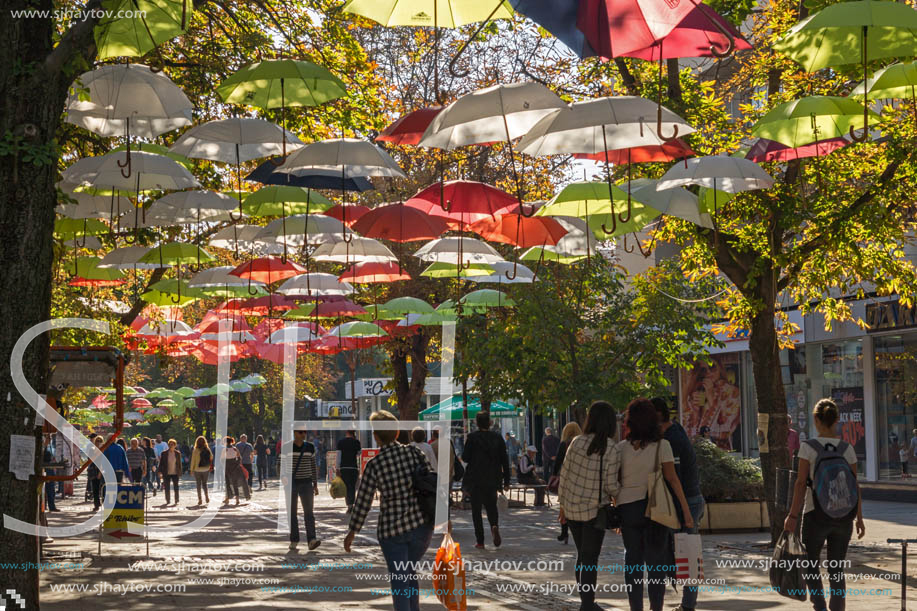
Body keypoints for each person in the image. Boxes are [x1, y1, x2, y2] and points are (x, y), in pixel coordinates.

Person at [343, 410, 433, 611]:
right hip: (421, 527)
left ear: (375, 437)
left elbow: (363, 501)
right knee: (409, 572)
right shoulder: (415, 453)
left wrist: (352, 532)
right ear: (397, 431)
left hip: (392, 532)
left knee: (399, 580)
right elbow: (431, 485)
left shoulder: (375, 465)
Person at [784, 398, 865, 611]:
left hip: (815, 515)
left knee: (811, 565)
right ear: (837, 420)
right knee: (836, 569)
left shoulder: (808, 448)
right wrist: (860, 519)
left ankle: (819, 606)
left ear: (816, 419)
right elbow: (854, 486)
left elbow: (801, 484)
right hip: (844, 518)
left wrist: (792, 516)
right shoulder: (847, 449)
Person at [616, 398, 694, 611]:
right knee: (656, 564)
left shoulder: (621, 448)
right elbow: (672, 479)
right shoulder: (663, 445)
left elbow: (616, 480)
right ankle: (656, 607)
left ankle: (635, 608)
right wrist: (685, 511)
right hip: (656, 509)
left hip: (628, 509)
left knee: (632, 560)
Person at [558, 402, 620, 610]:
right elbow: (611, 485)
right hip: (595, 511)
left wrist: (562, 507)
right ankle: (587, 604)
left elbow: (564, 476)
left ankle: (587, 601)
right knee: (590, 558)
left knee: (582, 555)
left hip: (573, 509)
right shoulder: (611, 447)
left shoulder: (575, 442)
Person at [653, 397, 704, 611]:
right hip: (690, 501)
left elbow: (675, 480)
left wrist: (685, 512)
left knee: (688, 557)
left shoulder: (671, 440)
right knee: (684, 555)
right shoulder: (675, 430)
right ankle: (686, 603)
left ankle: (688, 605)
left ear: (656, 416)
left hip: (687, 502)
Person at [462, 411, 511, 549]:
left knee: (476, 510)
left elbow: (465, 457)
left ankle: (480, 541)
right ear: (489, 423)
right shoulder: (497, 438)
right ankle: (494, 525)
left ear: (476, 423)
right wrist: (506, 481)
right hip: (493, 478)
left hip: (476, 479)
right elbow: (504, 460)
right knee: (491, 506)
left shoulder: (472, 438)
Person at [283, 429, 321, 551]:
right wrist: (283, 477)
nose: (303, 434)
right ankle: (294, 540)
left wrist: (315, 484)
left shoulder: (310, 447)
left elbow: (313, 465)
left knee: (309, 513)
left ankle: (312, 540)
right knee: (292, 513)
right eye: (300, 432)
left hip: (306, 483)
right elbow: (280, 464)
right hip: (291, 483)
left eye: (305, 432)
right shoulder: (287, 447)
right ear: (294, 433)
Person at [554, 421, 582, 543]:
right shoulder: (582, 444)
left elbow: (558, 461)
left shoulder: (564, 444)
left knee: (564, 505)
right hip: (580, 478)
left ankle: (564, 532)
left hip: (566, 478)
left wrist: (554, 474)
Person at [336, 429, 362, 512]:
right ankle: (351, 504)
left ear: (346, 432)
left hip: (344, 468)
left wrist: (337, 468)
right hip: (354, 468)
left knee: (347, 486)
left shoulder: (341, 442)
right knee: (352, 487)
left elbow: (338, 456)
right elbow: (359, 455)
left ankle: (349, 504)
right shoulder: (356, 442)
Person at [223, 436, 251, 505]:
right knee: (235, 483)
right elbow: (239, 458)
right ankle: (237, 499)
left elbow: (221, 459)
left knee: (228, 483)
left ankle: (227, 499)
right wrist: (236, 463)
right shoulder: (235, 449)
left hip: (227, 468)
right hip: (235, 468)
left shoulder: (225, 450)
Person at [158, 439, 183, 506]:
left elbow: (179, 464)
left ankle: (176, 500)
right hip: (166, 473)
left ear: (175, 445)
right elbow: (161, 463)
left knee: (176, 487)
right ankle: (168, 500)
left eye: (172, 444)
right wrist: (159, 471)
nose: (171, 446)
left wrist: (180, 472)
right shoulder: (164, 453)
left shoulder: (178, 453)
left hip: (175, 473)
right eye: (170, 444)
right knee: (167, 487)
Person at [189, 436, 212, 505]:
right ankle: (207, 496)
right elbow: (211, 457)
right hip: (206, 469)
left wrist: (191, 470)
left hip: (197, 469)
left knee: (198, 485)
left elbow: (193, 460)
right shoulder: (207, 449)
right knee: (205, 484)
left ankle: (200, 499)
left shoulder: (195, 450)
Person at [43, 436, 58, 512]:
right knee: (46, 488)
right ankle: (44, 506)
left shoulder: (50, 447)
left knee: (51, 488)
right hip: (45, 469)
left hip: (50, 468)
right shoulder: (42, 448)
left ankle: (52, 506)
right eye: (48, 438)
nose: (50, 440)